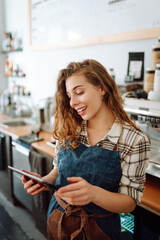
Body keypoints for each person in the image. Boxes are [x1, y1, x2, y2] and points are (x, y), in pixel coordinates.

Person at [22, 59, 150, 240]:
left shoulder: (134, 140)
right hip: (58, 218)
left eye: (79, 92)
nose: (73, 102)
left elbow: (129, 202)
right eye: (69, 95)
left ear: (102, 88)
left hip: (99, 229)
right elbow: (58, 170)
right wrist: (44, 181)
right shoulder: (69, 128)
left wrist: (94, 194)